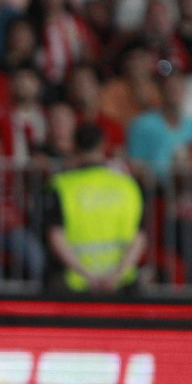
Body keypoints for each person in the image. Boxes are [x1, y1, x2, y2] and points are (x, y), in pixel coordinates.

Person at [46, 123, 146, 292]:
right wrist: (117, 276)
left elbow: (56, 237)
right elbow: (139, 238)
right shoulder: (127, 184)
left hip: (76, 285)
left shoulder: (60, 186)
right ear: (103, 145)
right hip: (122, 286)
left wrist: (87, 276)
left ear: (74, 146)